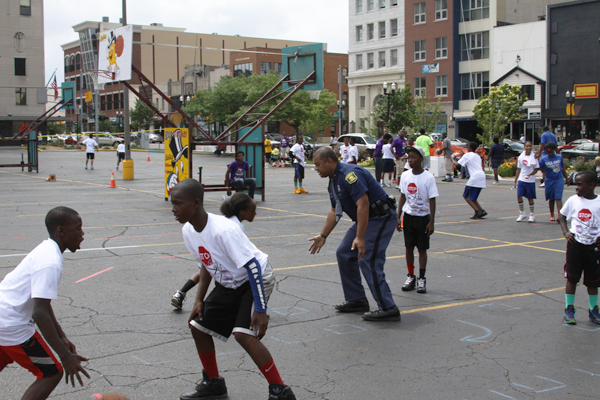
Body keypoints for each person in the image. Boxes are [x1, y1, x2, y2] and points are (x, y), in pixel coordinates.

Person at [170, 179, 295, 400]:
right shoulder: (188, 230)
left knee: (243, 333)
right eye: (173, 203)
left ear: (196, 203)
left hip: (255, 278)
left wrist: (261, 309)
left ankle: (280, 391)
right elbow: (207, 264)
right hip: (230, 281)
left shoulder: (223, 230)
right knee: (198, 326)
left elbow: (253, 267)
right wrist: (199, 299)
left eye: (178, 203)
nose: (173, 209)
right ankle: (213, 383)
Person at [0, 207, 90, 399]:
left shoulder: (47, 249)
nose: (82, 234)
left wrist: (62, 337)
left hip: (3, 317)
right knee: (51, 373)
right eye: (78, 228)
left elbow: (42, 303)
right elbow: (39, 312)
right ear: (61, 231)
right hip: (10, 324)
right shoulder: (50, 262)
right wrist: (65, 357)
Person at [308, 147, 400, 321]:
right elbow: (335, 210)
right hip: (366, 219)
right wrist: (323, 236)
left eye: (318, 165)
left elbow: (363, 204)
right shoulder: (334, 181)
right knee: (344, 252)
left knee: (367, 258)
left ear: (330, 161)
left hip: (380, 217)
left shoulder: (350, 174)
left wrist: (359, 238)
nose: (316, 169)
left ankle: (388, 307)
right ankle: (356, 299)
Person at [171, 192, 258, 310]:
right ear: (242, 212)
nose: (255, 213)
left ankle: (181, 292)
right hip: (235, 275)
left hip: (218, 263)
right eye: (253, 210)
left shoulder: (226, 220)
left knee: (207, 269)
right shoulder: (232, 227)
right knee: (207, 270)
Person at [558, 170, 600, 326]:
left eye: (579, 185)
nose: (576, 188)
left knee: (593, 281)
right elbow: (562, 216)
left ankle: (594, 309)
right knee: (572, 278)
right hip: (576, 245)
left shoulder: (598, 202)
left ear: (591, 185)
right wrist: (566, 231)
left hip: (594, 247)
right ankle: (569, 309)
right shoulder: (573, 200)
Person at [397, 145, 438, 294]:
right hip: (409, 216)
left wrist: (431, 221)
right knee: (408, 247)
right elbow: (402, 196)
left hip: (422, 217)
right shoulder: (405, 176)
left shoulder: (428, 177)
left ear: (421, 159)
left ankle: (422, 278)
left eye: (414, 157)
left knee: (422, 249)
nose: (411, 160)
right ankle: (411, 276)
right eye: (409, 158)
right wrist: (398, 216)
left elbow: (432, 200)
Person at [454, 142, 487, 219]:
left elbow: (457, 165)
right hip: (481, 176)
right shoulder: (477, 156)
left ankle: (477, 211)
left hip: (475, 177)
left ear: (470, 148)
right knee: (473, 198)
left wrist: (453, 159)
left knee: (466, 196)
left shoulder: (467, 155)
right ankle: (481, 210)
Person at [539, 141, 569, 222]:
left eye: (551, 151)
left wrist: (566, 178)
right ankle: (552, 213)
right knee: (551, 198)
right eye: (548, 152)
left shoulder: (559, 157)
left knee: (558, 197)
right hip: (549, 180)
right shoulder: (543, 159)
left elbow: (562, 168)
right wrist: (544, 179)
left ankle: (560, 215)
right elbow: (542, 169)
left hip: (558, 179)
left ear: (554, 150)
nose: (550, 153)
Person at [513, 141, 540, 223]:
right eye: (527, 146)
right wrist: (515, 181)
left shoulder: (534, 157)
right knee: (519, 195)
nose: (528, 147)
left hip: (530, 180)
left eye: (530, 146)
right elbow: (518, 169)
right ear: (524, 147)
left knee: (530, 198)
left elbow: (536, 170)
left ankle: (532, 215)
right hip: (522, 179)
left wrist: (530, 174)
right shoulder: (521, 157)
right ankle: (522, 213)